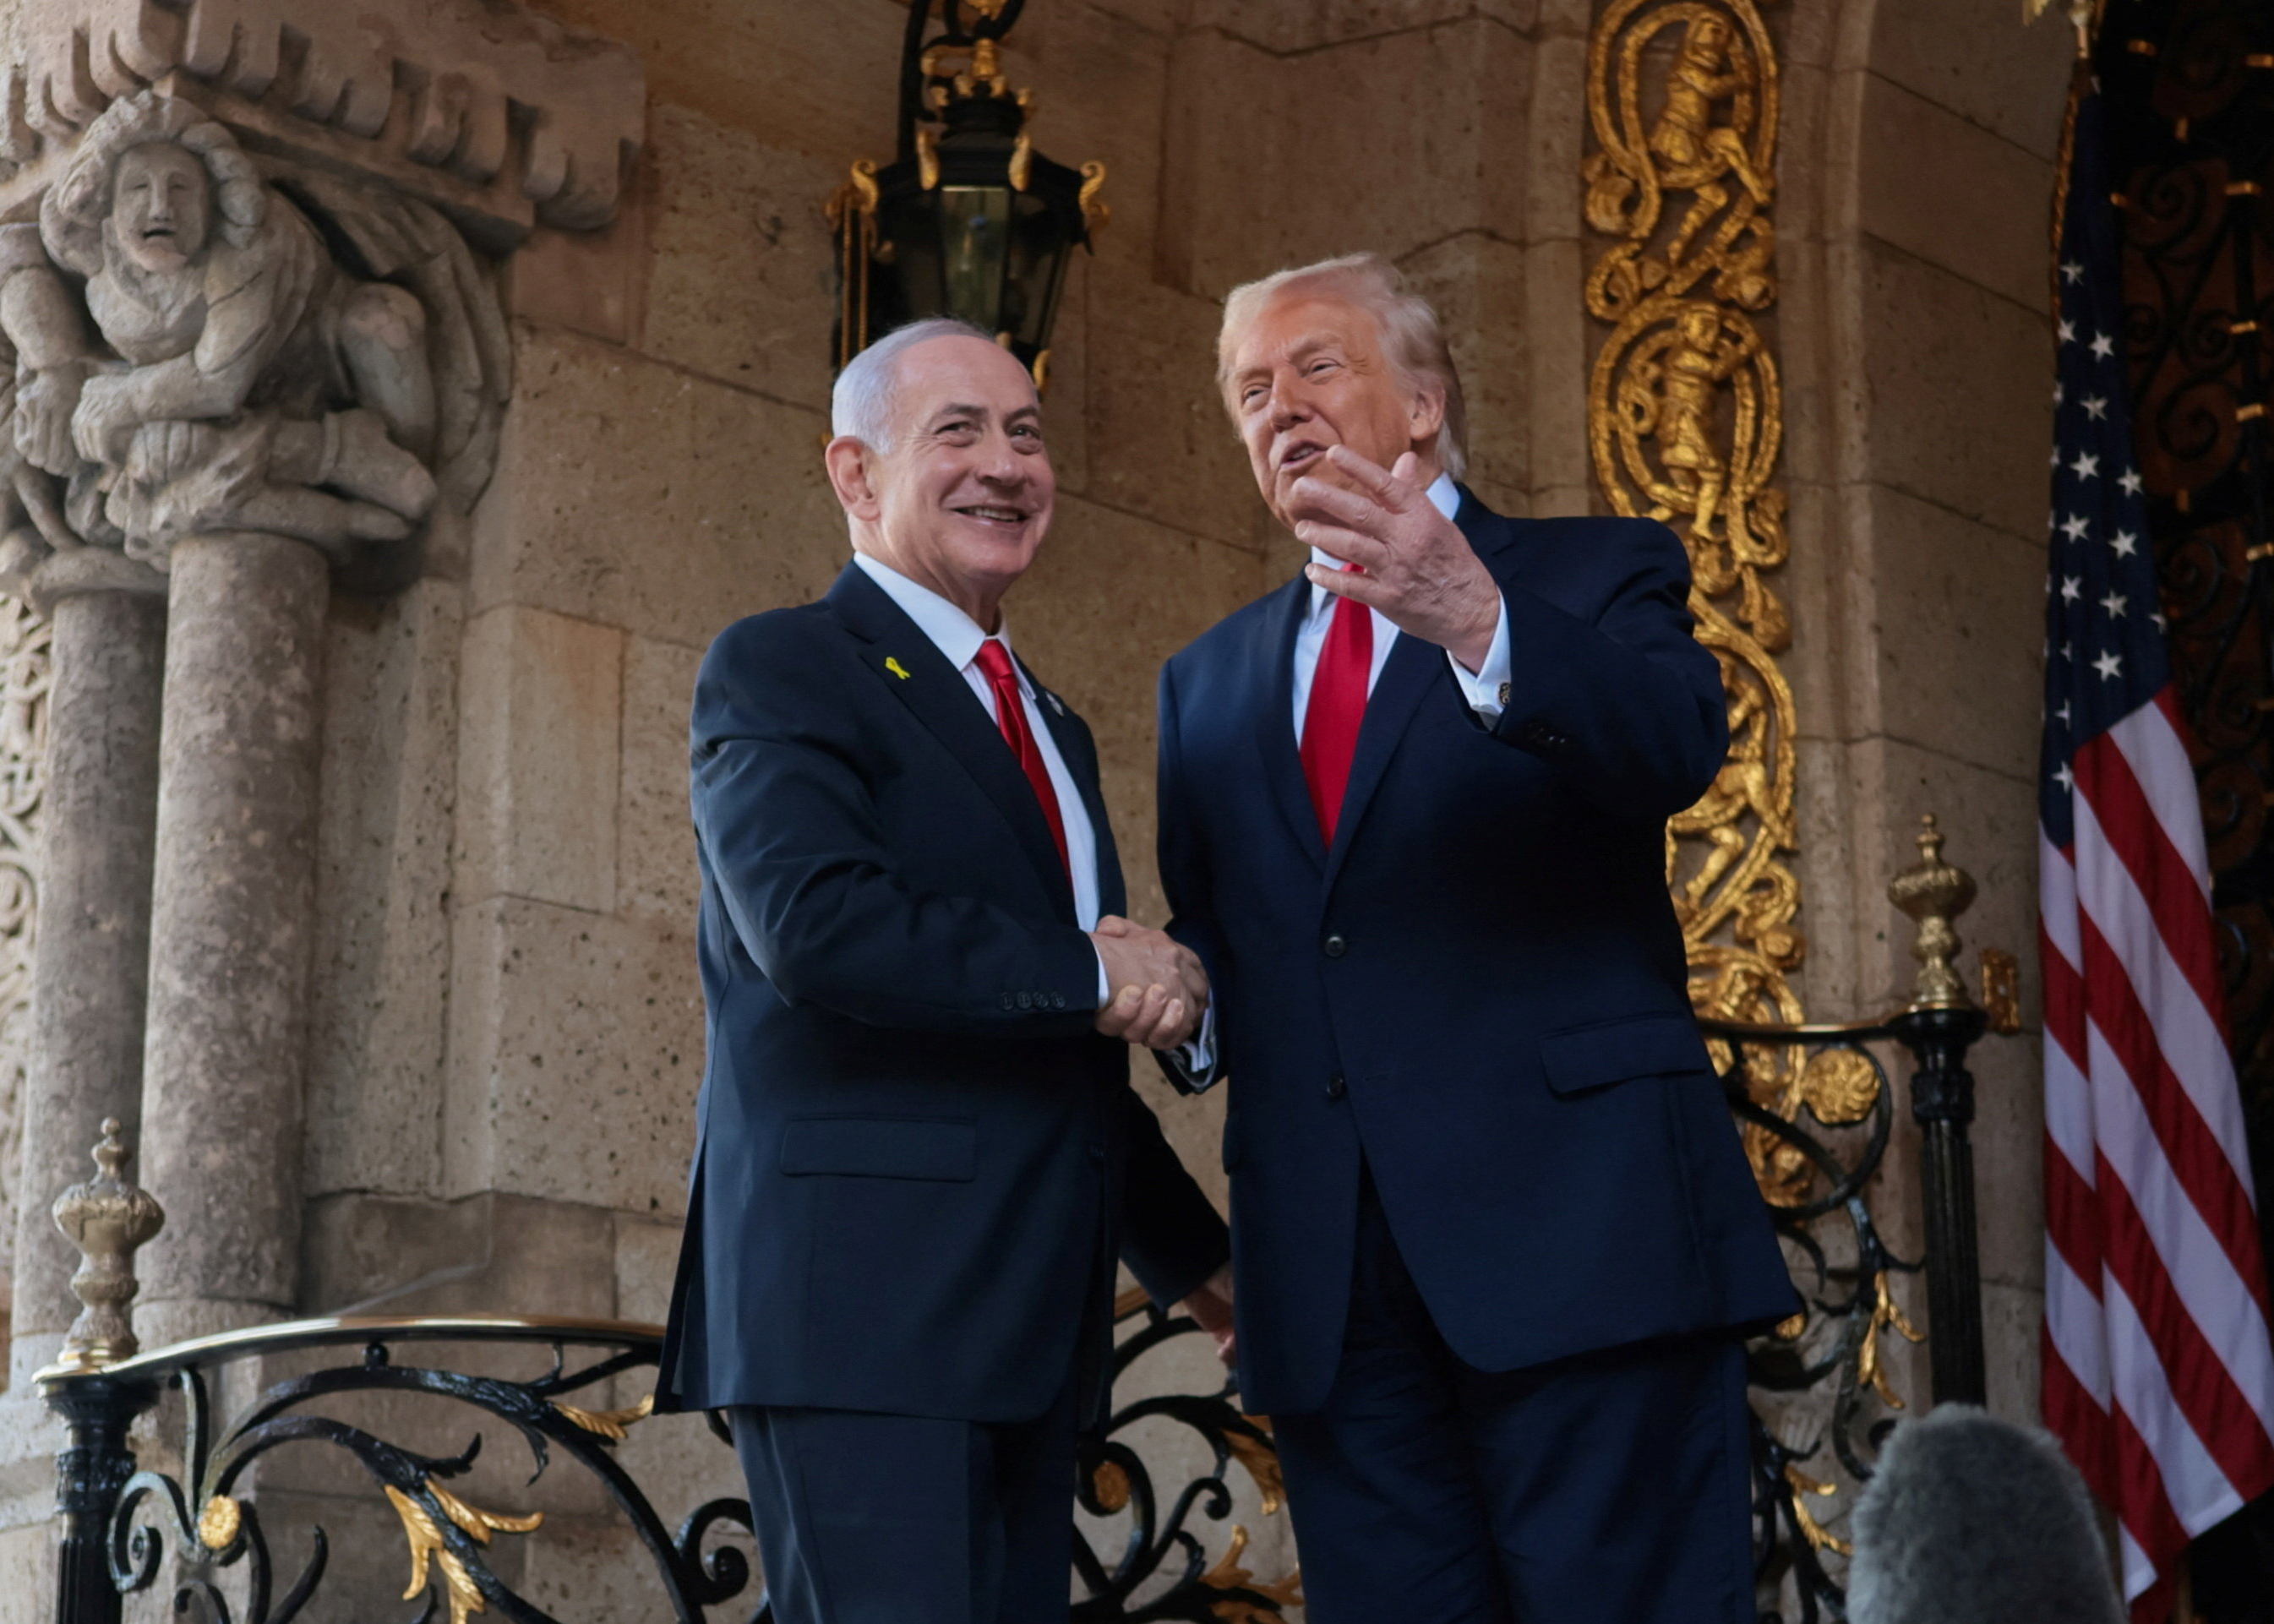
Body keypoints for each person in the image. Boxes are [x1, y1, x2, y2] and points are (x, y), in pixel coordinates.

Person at [1153, 253, 1798, 1623]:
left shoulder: (1594, 568)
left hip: (1585, 1247)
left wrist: (1476, 619)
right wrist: (1177, 995)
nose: (1280, 405)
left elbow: (1676, 744)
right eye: (1251, 390)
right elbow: (1232, 931)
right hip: (1334, 1293)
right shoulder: (1201, 681)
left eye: (1317, 365)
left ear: (1424, 402)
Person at [656, 317, 1233, 1624]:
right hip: (864, 1318)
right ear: (854, 474)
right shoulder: (784, 664)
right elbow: (815, 925)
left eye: (1026, 433)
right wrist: (1096, 968)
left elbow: (1059, 1046)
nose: (1007, 464)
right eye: (958, 431)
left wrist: (1203, 1266)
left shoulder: (1054, 727)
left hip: (1028, 1334)